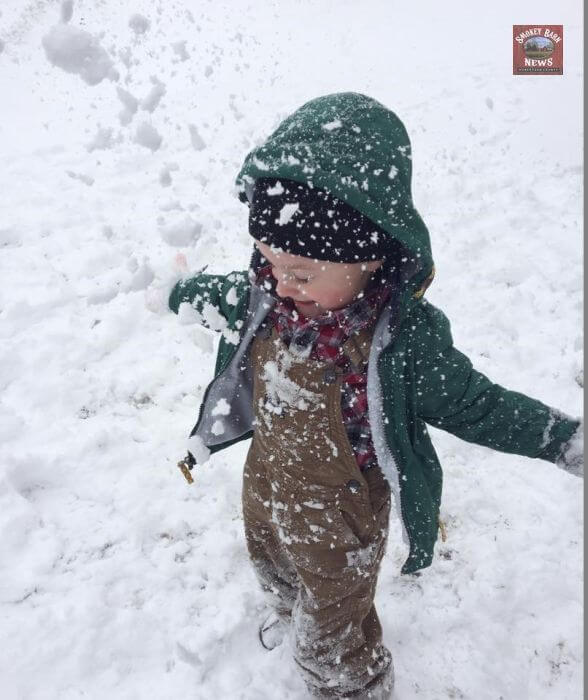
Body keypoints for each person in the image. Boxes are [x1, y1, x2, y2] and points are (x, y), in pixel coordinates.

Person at [155, 92, 583, 699]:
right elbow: (217, 295)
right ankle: (288, 608)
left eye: (302, 273)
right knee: (271, 561)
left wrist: (564, 440)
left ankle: (353, 685)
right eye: (268, 262)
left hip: (343, 513)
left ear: (373, 256)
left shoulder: (404, 345)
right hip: (269, 476)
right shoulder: (263, 295)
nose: (279, 283)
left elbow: (478, 404)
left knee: (334, 629)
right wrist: (174, 291)